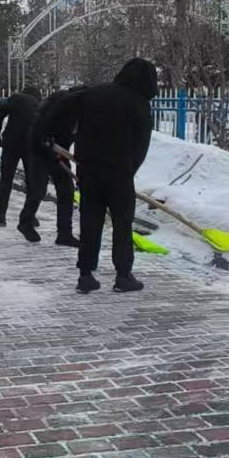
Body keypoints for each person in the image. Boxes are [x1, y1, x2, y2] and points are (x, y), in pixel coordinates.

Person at [53, 57, 158, 294]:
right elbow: (141, 145)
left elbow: (62, 108)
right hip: (119, 172)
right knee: (122, 223)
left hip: (88, 169)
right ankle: (123, 275)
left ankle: (85, 275)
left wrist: (56, 139)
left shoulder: (92, 94)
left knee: (90, 221)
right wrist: (129, 169)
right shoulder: (139, 103)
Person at [22, 86, 85, 248]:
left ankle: (64, 234)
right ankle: (25, 222)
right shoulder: (57, 103)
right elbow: (39, 127)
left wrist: (81, 165)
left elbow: (81, 139)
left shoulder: (82, 111)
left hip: (60, 150)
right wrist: (47, 144)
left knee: (67, 191)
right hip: (40, 149)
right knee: (38, 190)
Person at [0, 86, 42, 229]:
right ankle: (30, 216)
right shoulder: (39, 104)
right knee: (32, 181)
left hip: (11, 143)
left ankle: (1, 216)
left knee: (6, 179)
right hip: (30, 144)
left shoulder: (16, 99)